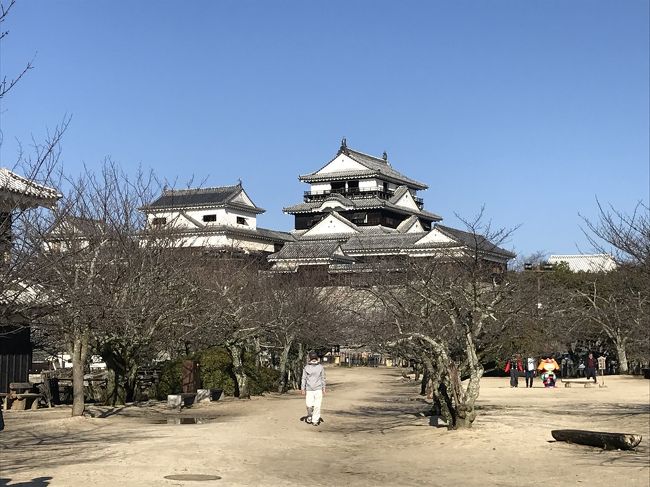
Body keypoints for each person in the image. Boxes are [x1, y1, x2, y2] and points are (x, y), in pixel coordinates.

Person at [301, 351, 326, 426]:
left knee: (317, 405)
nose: (314, 360)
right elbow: (303, 378)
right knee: (309, 404)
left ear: (317, 358)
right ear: (310, 358)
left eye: (315, 358)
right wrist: (303, 388)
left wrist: (323, 388)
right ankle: (309, 415)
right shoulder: (306, 367)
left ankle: (315, 420)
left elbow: (323, 378)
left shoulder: (320, 367)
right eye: (312, 358)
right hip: (309, 389)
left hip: (318, 388)